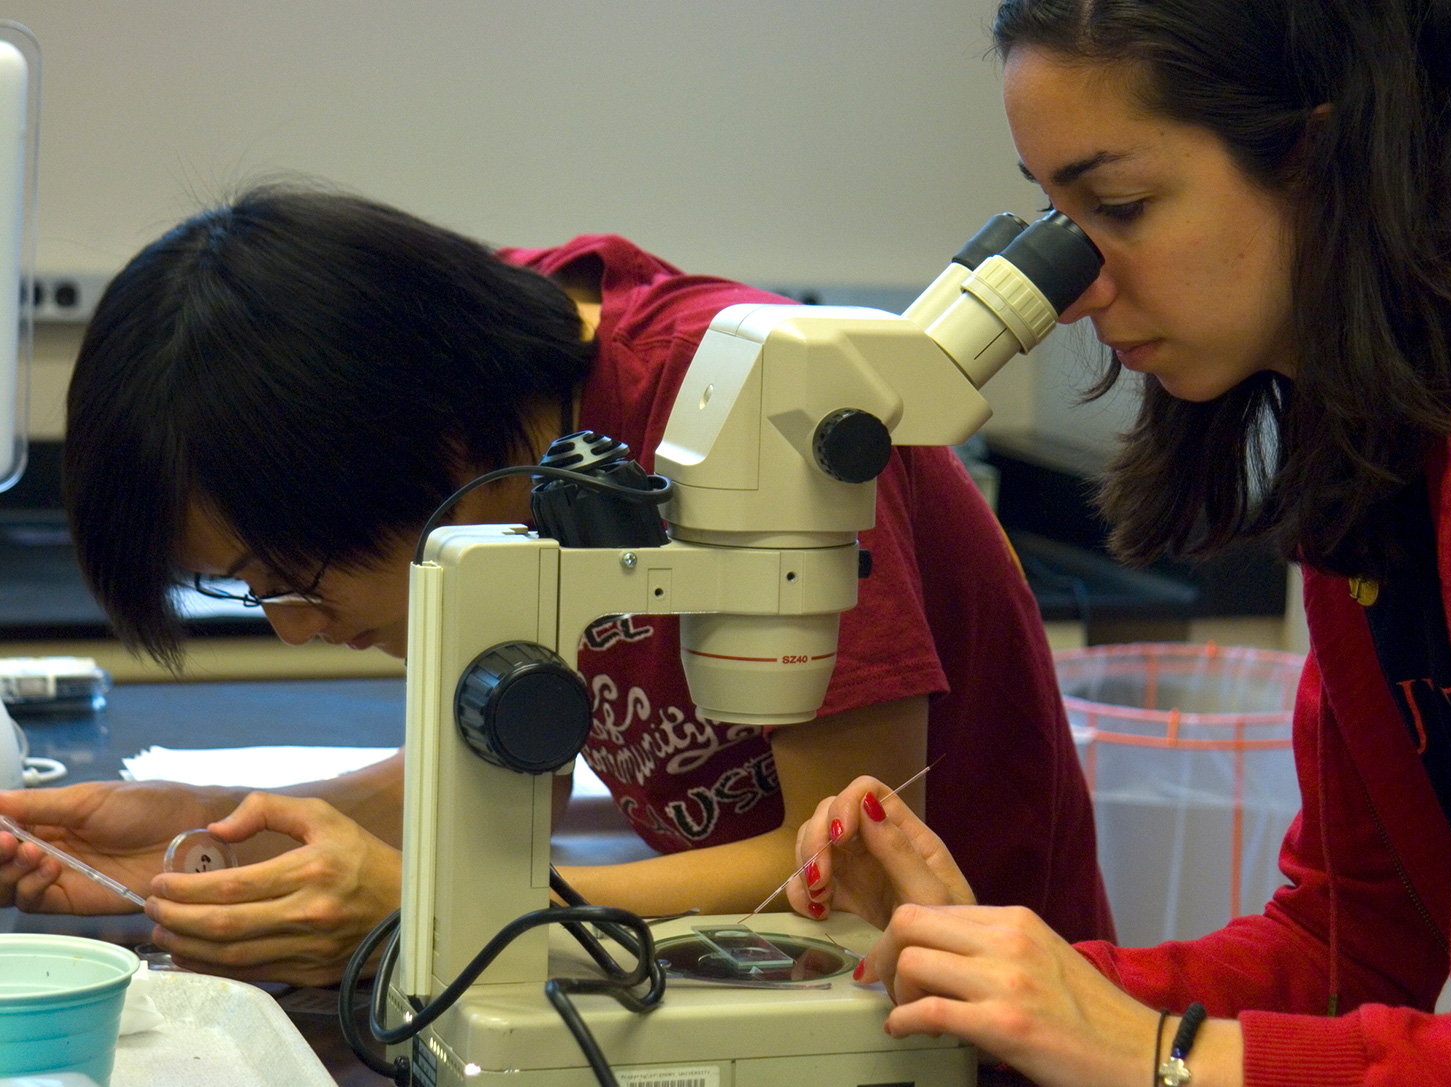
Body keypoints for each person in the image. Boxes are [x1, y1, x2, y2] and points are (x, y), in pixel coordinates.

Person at [789, 0, 1451, 1084]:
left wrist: (1157, 1057)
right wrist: (1012, 983)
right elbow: (1347, 946)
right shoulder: (1391, 430)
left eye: (1121, 205)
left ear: (1322, 156)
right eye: (1054, 216)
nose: (1077, 286)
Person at [0, 185, 1113, 985]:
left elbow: (851, 860)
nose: (298, 628)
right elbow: (503, 773)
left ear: (426, 446)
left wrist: (441, 914)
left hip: (968, 1012)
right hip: (757, 978)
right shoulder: (485, 375)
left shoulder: (745, 414)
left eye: (287, 576)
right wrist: (208, 834)